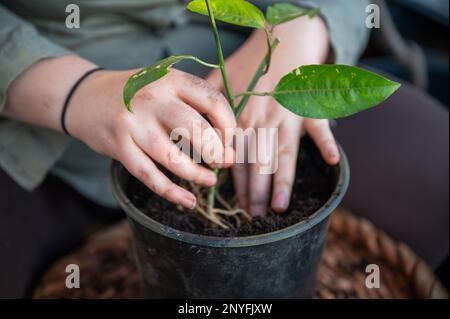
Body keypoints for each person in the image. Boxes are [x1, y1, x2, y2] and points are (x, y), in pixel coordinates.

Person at [0, 0, 448, 298]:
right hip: (45, 114)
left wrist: (304, 27)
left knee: (433, 176)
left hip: (258, 62)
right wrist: (73, 90)